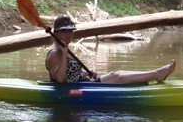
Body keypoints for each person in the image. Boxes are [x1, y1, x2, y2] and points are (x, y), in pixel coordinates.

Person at [45, 15, 176, 84]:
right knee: (116, 76)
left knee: (118, 73)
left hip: (85, 84)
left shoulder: (65, 49)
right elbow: (60, 80)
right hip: (75, 91)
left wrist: (87, 74)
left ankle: (154, 74)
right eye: (64, 32)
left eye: (71, 31)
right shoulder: (55, 53)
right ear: (56, 33)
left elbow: (72, 74)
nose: (69, 35)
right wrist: (63, 54)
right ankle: (156, 74)